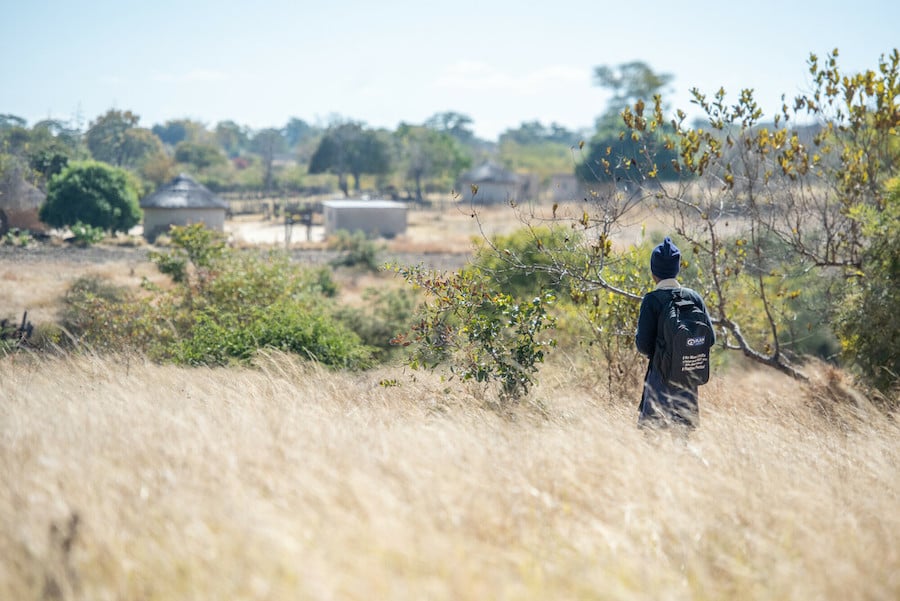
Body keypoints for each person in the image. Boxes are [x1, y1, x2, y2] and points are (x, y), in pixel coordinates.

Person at [635, 236, 715, 429]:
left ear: (654, 271)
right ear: (677, 268)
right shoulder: (693, 297)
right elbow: (710, 339)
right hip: (688, 378)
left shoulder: (652, 300)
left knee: (652, 436)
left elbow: (643, 345)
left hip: (659, 378)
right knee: (682, 437)